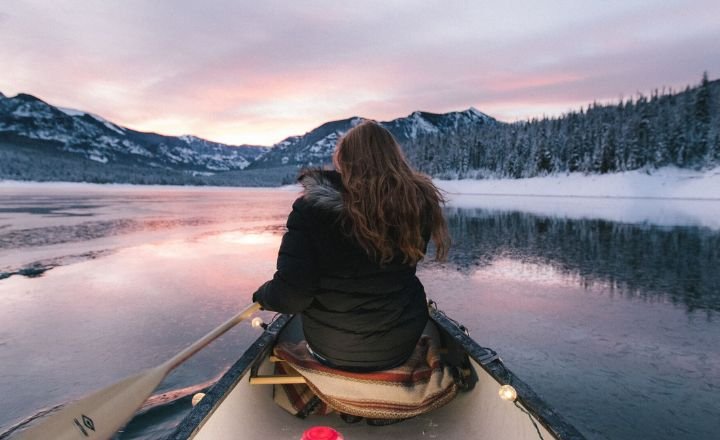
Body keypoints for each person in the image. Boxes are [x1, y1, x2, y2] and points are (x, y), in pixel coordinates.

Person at [252, 120, 450, 372]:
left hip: (333, 351)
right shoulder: (414, 207)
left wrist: (262, 296)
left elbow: (292, 296)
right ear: (393, 158)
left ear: (343, 162)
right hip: (400, 346)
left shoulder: (312, 210)